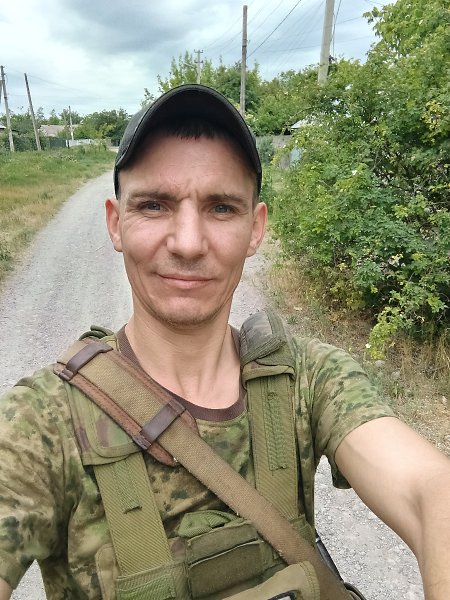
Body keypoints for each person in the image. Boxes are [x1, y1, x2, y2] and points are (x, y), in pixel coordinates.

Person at [0, 84, 449, 600]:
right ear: (116, 223)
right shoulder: (42, 423)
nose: (189, 243)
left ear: (255, 229)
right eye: (154, 205)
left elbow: (428, 491)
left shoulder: (310, 380)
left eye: (220, 208)